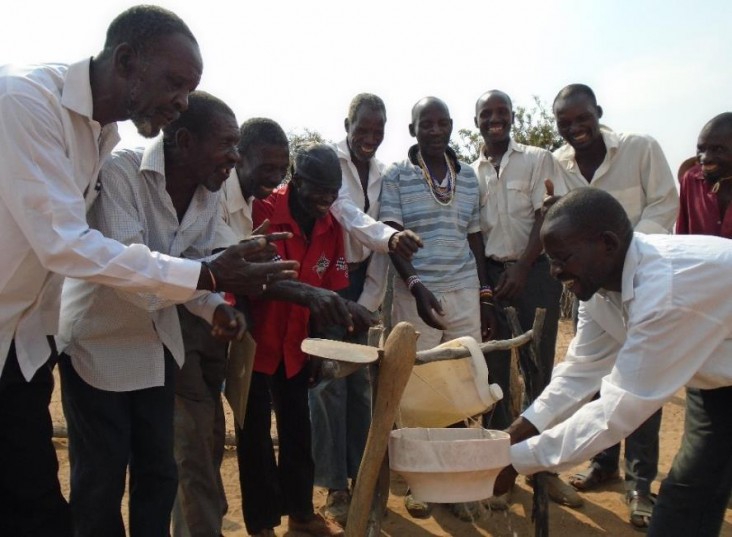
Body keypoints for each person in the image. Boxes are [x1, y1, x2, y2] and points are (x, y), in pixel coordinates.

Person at [0, 7, 295, 535]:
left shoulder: (99, 132)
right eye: (175, 83)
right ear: (127, 60)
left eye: (190, 90)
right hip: (75, 343)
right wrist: (207, 278)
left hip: (25, 343)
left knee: (49, 497)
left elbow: (201, 262)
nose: (181, 102)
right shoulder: (25, 103)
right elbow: (66, 245)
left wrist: (214, 297)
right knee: (80, 489)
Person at [57, 91, 253, 536]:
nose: (234, 158)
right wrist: (211, 281)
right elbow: (134, 278)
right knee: (101, 479)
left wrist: (216, 309)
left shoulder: (207, 195)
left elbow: (196, 273)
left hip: (156, 346)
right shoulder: (122, 172)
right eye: (227, 144)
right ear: (185, 141)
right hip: (96, 345)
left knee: (159, 474)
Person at [496, 187, 732, 537]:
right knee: (692, 491)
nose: (554, 271)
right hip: (717, 377)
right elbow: (579, 371)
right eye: (551, 260)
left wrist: (515, 462)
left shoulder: (663, 295)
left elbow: (616, 412)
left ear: (607, 244)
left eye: (563, 258)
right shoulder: (599, 288)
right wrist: (514, 435)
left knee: (689, 491)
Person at [551, 83, 678, 528]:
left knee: (643, 381)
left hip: (645, 283)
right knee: (599, 379)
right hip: (597, 290)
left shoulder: (640, 149)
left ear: (598, 113)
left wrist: (630, 254)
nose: (574, 129)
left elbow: (665, 202)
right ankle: (604, 463)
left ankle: (640, 484)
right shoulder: (560, 163)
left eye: (581, 119)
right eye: (564, 123)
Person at [236, 144, 375, 537]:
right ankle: (261, 524)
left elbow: (329, 290)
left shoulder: (330, 226)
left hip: (297, 347)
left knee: (300, 432)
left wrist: (315, 348)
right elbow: (246, 279)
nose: (326, 199)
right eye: (318, 189)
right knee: (256, 439)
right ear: (296, 180)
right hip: (254, 344)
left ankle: (300, 515)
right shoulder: (263, 210)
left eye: (333, 191)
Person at [172, 117, 291, 537]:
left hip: (218, 327)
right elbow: (211, 262)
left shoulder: (252, 201)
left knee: (208, 436)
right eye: (267, 167)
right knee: (193, 446)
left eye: (282, 170)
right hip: (184, 323)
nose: (275, 178)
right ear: (243, 156)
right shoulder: (216, 190)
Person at [379, 96, 495, 520]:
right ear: (412, 130)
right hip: (417, 293)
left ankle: (459, 481)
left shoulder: (467, 178)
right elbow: (391, 237)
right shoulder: (396, 176)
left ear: (450, 127)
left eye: (441, 123)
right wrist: (414, 283)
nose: (434, 130)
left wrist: (483, 291)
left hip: (463, 288)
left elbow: (475, 237)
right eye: (424, 124)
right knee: (417, 386)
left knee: (462, 384)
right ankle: (418, 480)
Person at [310, 93, 422, 525]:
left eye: (378, 131)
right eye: (363, 129)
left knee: (358, 388)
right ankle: (334, 487)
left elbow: (379, 243)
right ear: (347, 124)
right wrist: (388, 237)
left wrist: (368, 302)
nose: (370, 138)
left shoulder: (383, 173)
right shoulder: (328, 163)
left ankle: (364, 478)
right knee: (326, 387)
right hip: (322, 281)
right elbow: (346, 214)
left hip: (362, 283)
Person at [471, 89, 580, 509]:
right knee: (495, 373)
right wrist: (486, 286)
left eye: (502, 113)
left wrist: (521, 269)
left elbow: (544, 215)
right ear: (476, 119)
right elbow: (474, 234)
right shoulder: (470, 172)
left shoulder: (537, 159)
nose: (495, 119)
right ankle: (502, 470)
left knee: (540, 371)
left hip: (534, 273)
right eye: (487, 113)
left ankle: (545, 472)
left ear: (512, 118)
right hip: (494, 278)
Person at [676, 112, 732, 239]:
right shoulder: (691, 179)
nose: (705, 158)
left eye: (718, 149)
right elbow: (682, 239)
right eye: (701, 149)